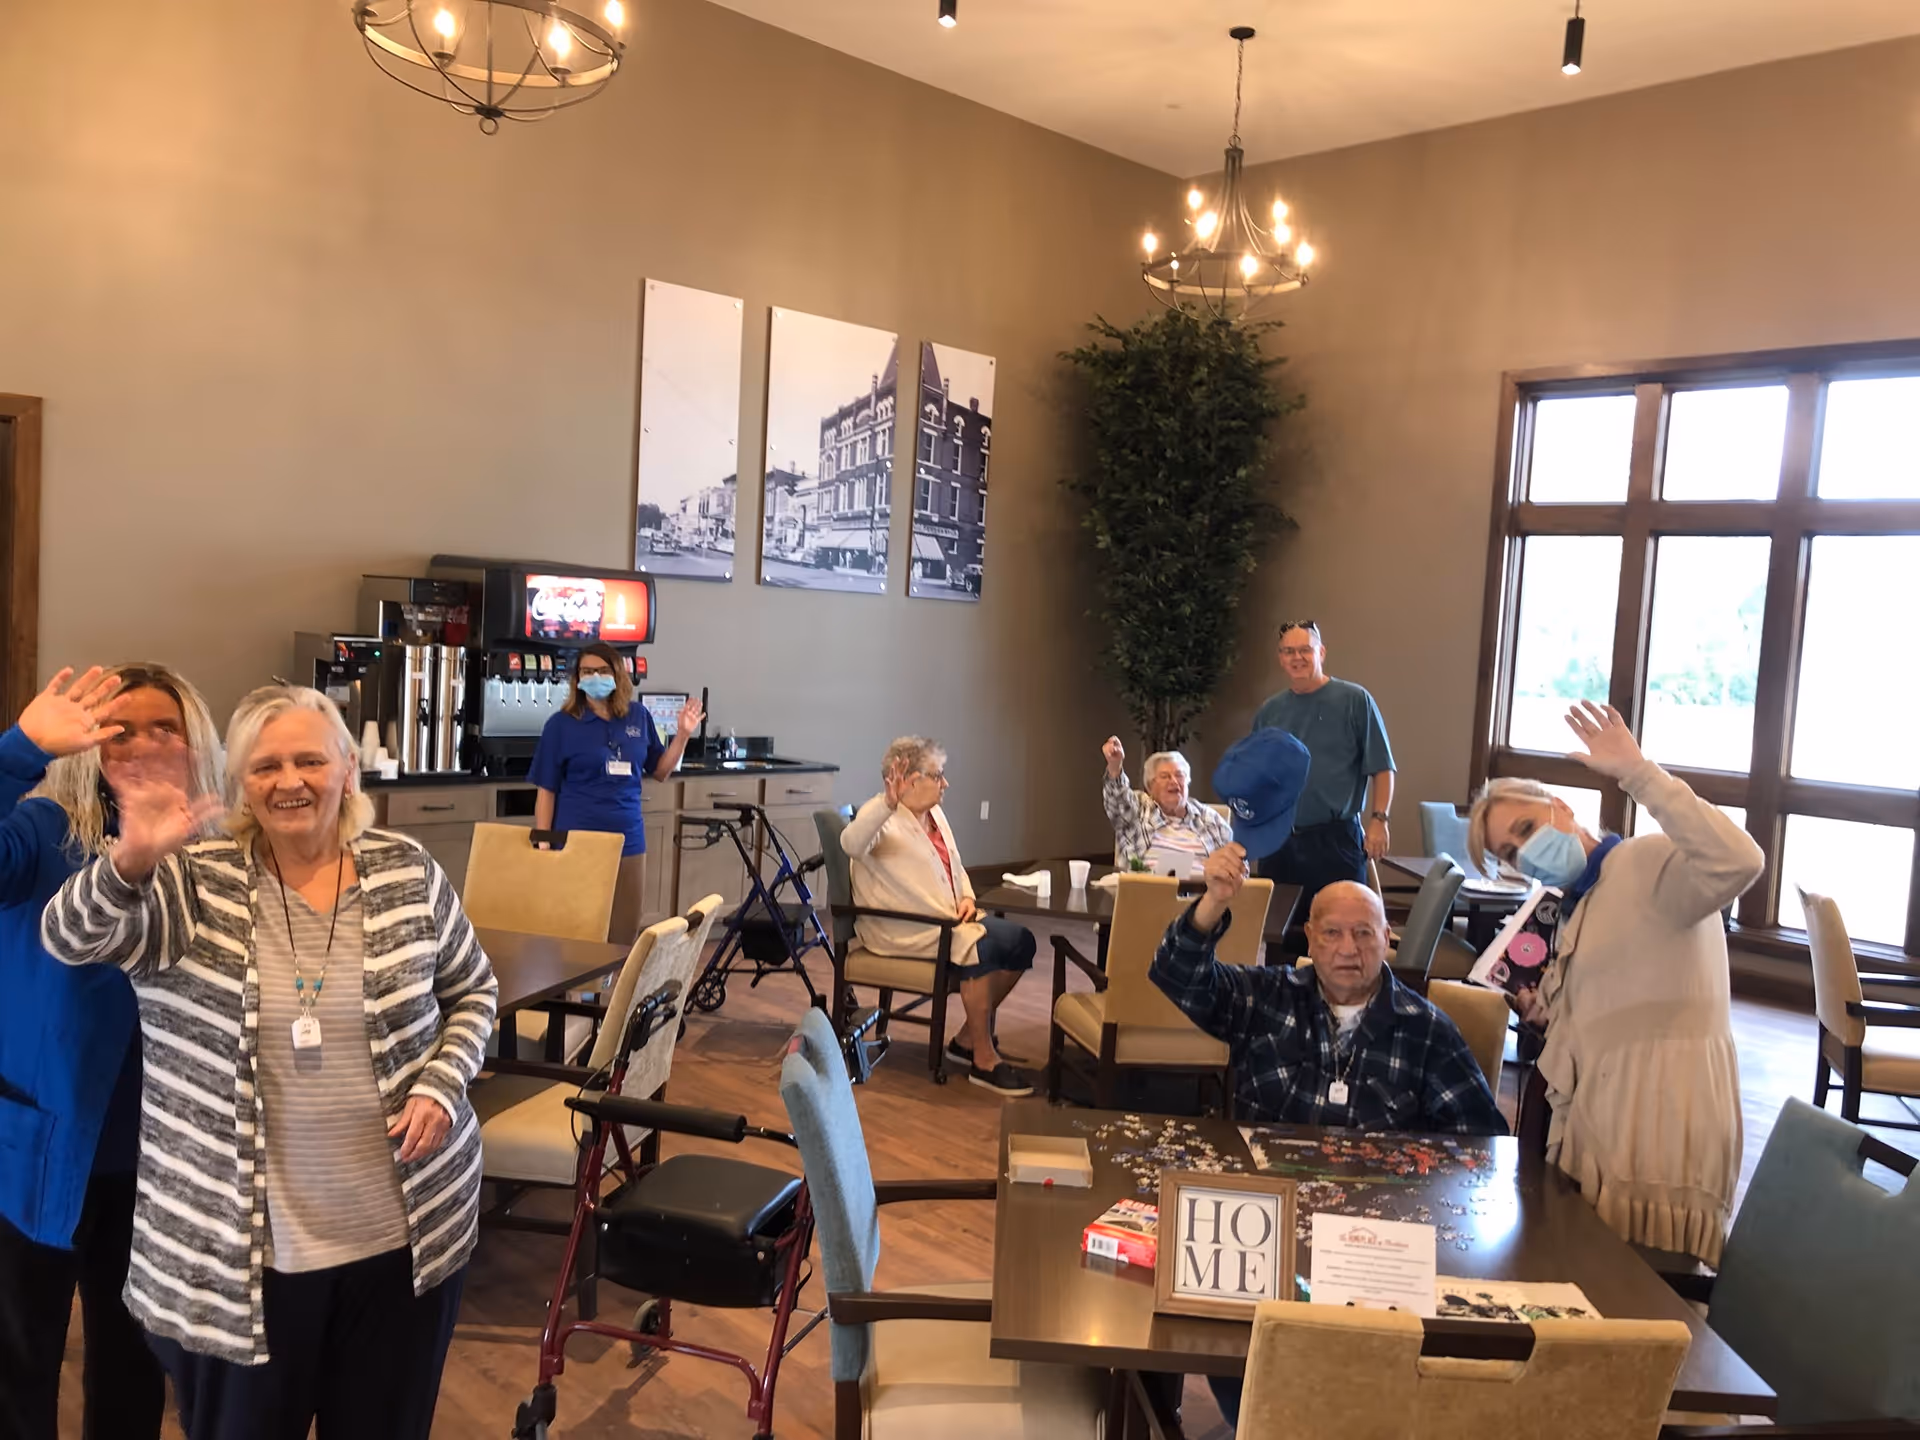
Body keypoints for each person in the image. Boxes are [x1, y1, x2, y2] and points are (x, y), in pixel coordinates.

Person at [42, 685, 497, 1440]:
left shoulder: (404, 869)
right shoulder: (193, 878)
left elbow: (473, 988)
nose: (291, 781)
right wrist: (129, 860)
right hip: (240, 1259)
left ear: (348, 767)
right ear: (240, 783)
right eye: (267, 765)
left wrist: (444, 1086)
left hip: (405, 1241)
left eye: (310, 759)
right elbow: (69, 936)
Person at [0, 663, 222, 1440]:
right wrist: (20, 747)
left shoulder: (219, 852)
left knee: (133, 1371)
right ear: (87, 743)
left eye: (165, 727)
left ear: (196, 743)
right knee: (19, 1364)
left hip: (162, 1161)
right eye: (120, 729)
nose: (143, 744)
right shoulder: (41, 832)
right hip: (42, 1148)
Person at [1468, 701, 1762, 1266]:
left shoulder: (1647, 863)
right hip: (1601, 1135)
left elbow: (1739, 861)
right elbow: (1621, 989)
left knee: (1646, 1301)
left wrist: (1639, 773)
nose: (1525, 853)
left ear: (1560, 807)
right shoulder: (1580, 903)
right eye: (1510, 851)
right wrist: (1551, 1011)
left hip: (1658, 1138)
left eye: (1527, 829)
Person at [841, 736, 1036, 1096]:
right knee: (983, 949)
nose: (945, 783)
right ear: (911, 779)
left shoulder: (934, 813)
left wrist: (965, 897)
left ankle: (964, 1040)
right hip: (904, 928)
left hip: (948, 920)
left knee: (1021, 942)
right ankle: (983, 1059)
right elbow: (851, 843)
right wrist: (888, 801)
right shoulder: (882, 816)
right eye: (938, 775)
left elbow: (957, 866)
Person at [529, 643, 703, 943]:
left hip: (628, 842)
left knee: (622, 931)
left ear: (617, 674)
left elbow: (661, 771)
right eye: (587, 671)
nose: (594, 676)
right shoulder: (561, 725)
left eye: (602, 670)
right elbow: (546, 790)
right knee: (575, 930)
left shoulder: (638, 716)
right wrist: (543, 846)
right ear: (577, 678)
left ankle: (613, 990)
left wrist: (683, 734)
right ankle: (577, 991)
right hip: (576, 842)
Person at [1251, 621, 1395, 950]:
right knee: (1280, 936)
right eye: (1289, 651)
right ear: (1280, 658)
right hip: (1280, 841)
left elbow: (1383, 767)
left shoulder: (1354, 700)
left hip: (1335, 840)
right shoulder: (1270, 711)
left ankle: (1338, 1000)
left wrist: (1379, 820)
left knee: (1342, 931)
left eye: (1305, 649)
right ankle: (1284, 998)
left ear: (1321, 653)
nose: (1297, 657)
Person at [1100, 736, 1233, 867]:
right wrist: (1115, 767)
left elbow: (1235, 863)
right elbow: (1117, 800)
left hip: (1202, 888)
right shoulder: (1138, 809)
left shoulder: (1210, 818)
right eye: (1165, 776)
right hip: (1146, 887)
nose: (1174, 781)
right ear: (1150, 786)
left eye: (1179, 775)